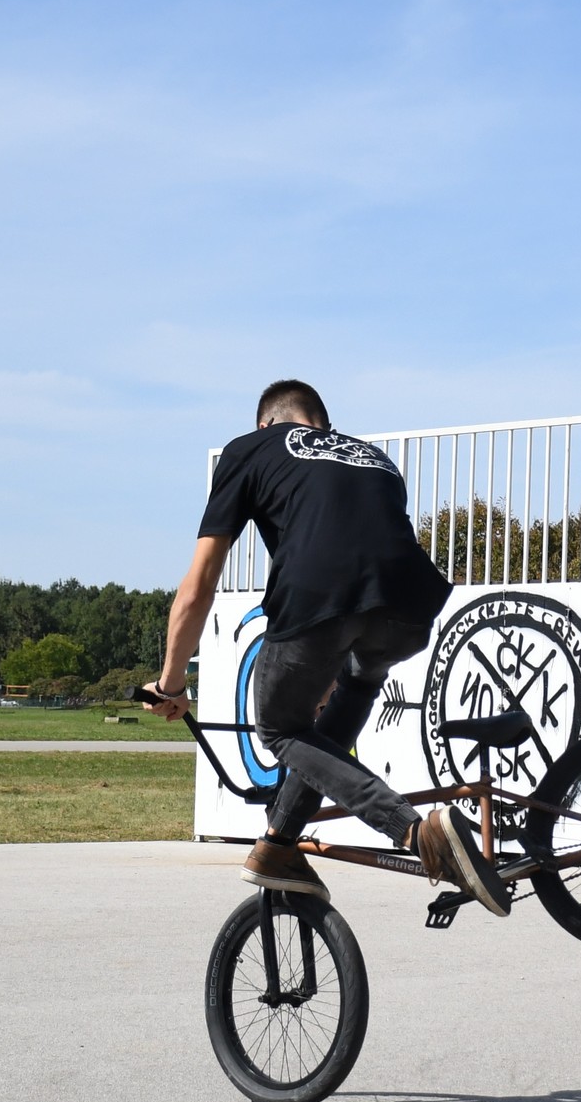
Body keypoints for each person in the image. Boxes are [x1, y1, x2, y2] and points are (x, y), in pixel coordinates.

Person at [141, 379, 509, 915]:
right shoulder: (374, 458)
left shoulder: (250, 449)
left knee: (281, 726)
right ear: (323, 425)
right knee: (357, 684)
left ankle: (415, 832)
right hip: (409, 608)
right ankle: (277, 845)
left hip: (319, 595)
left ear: (267, 424)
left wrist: (171, 684)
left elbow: (200, 583)